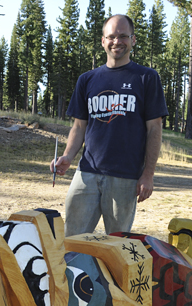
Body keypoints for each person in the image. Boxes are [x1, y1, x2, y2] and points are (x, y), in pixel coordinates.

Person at [50, 14, 168, 237]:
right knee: (72, 239)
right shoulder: (87, 79)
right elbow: (79, 126)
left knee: (117, 246)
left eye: (123, 36)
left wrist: (148, 175)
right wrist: (67, 156)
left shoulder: (147, 78)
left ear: (133, 40)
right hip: (87, 173)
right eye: (111, 36)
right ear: (103, 41)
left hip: (125, 176)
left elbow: (154, 129)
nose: (117, 41)